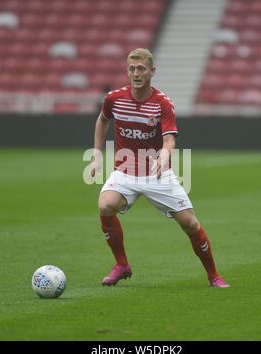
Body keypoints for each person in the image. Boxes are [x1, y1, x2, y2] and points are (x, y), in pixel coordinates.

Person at [89, 48, 229, 288]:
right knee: (105, 205)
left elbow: (169, 139)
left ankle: (214, 275)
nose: (136, 73)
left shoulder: (162, 103)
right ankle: (121, 265)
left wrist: (164, 154)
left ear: (152, 71)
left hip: (157, 174)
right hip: (125, 172)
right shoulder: (114, 98)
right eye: (132, 69)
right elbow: (103, 119)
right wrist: (97, 153)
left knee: (190, 224)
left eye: (141, 69)